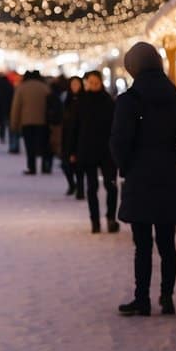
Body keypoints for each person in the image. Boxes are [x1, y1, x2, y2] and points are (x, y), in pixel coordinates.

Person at [110, 42, 176, 318]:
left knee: (143, 245)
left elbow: (119, 141)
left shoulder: (129, 100)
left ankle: (142, 299)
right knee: (167, 242)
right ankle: (167, 297)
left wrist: (126, 167)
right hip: (168, 177)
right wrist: (174, 158)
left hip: (139, 176)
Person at [74, 71, 119, 234]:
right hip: (88, 150)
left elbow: (116, 127)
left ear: (101, 82)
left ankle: (111, 217)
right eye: (90, 82)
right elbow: (76, 127)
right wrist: (73, 150)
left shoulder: (109, 101)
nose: (93, 85)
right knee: (91, 187)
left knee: (111, 186)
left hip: (107, 151)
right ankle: (94, 220)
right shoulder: (82, 101)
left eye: (96, 82)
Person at [11, 71, 52, 175]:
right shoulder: (45, 88)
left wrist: (14, 123)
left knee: (29, 146)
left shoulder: (22, 88)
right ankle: (45, 166)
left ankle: (31, 167)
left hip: (26, 121)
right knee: (43, 145)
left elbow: (16, 107)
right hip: (43, 121)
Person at [59, 76, 83, 198]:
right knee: (65, 163)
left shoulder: (84, 100)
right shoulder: (67, 99)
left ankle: (80, 189)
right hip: (67, 135)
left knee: (78, 165)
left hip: (79, 136)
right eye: (73, 84)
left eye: (77, 84)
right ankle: (72, 185)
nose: (75, 87)